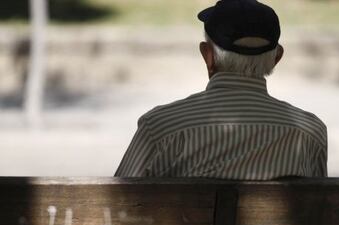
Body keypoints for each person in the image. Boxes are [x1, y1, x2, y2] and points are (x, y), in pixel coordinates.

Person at [115, 0, 327, 179]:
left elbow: (116, 205)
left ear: (208, 56)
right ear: (277, 58)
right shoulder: (310, 132)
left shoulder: (160, 127)